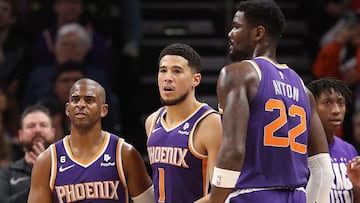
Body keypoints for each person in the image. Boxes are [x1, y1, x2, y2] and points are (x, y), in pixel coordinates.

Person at [208, 1, 334, 202]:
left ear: (258, 33)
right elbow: (323, 171)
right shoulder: (303, 89)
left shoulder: (239, 74)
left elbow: (233, 151)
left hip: (252, 195)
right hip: (296, 196)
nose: (230, 33)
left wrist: (216, 200)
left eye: (237, 26)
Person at [28, 78, 155, 203]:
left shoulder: (124, 154)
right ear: (67, 109)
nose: (81, 104)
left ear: (103, 110)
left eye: (89, 100)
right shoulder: (47, 161)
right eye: (75, 100)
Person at [145, 43, 223, 203]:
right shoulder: (152, 121)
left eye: (177, 71)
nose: (167, 77)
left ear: (196, 80)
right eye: (163, 70)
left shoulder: (210, 122)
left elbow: (221, 194)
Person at [307, 77, 360, 202]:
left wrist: (358, 184)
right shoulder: (300, 149)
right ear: (311, 107)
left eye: (341, 103)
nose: (336, 110)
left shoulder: (349, 150)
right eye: (327, 102)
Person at [0, 104, 56, 203]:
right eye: (31, 126)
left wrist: (51, 170)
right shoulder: (6, 174)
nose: (38, 130)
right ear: (20, 135)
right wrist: (41, 176)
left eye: (43, 125)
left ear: (52, 132)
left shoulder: (66, 168)